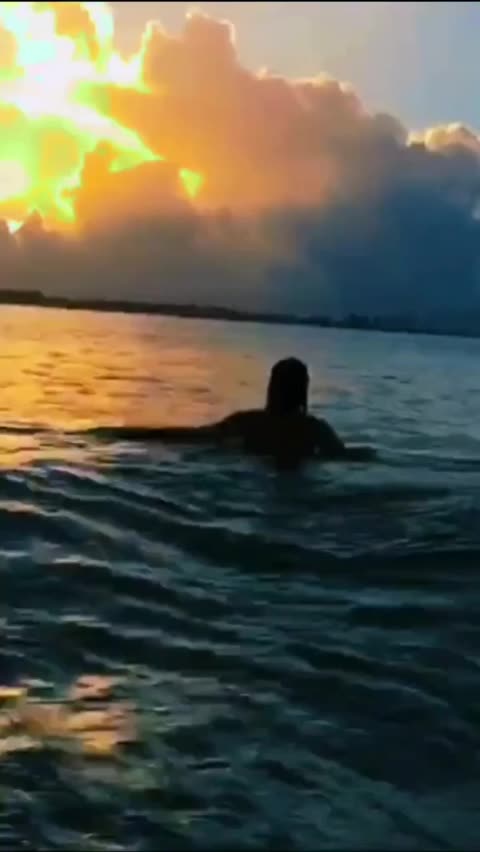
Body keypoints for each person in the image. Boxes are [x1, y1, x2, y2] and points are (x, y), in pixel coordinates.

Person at [93, 357, 374, 463]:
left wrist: (136, 434)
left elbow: (193, 437)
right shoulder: (316, 431)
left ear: (271, 387)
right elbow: (346, 457)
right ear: (304, 391)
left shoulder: (248, 422)